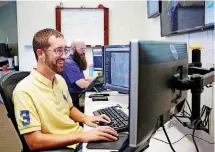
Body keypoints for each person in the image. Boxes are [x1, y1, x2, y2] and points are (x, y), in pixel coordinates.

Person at [13, 28, 118, 151]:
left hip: (78, 137)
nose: (64, 56)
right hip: (67, 146)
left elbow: (69, 108)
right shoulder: (24, 91)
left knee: (124, 142)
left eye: (65, 50)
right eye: (58, 51)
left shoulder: (59, 80)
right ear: (40, 53)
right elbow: (34, 141)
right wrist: (81, 136)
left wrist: (86, 118)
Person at [59, 39, 93, 108]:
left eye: (84, 49)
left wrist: (97, 80)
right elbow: (83, 84)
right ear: (73, 49)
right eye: (81, 49)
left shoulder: (75, 60)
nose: (84, 52)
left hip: (77, 96)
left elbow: (81, 77)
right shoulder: (69, 63)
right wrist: (100, 85)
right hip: (74, 99)